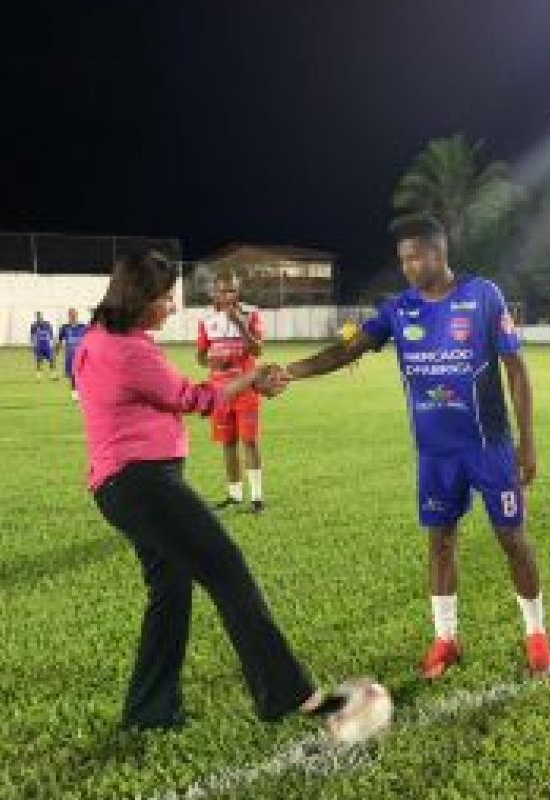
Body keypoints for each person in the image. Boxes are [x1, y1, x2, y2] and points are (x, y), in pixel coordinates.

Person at [73, 248, 347, 732]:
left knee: (171, 590)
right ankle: (288, 693)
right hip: (144, 485)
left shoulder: (98, 339)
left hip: (121, 487)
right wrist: (251, 380)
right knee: (228, 571)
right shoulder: (130, 350)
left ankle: (149, 710)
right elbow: (195, 398)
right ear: (141, 299)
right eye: (165, 298)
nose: (172, 307)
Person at [279, 215, 550, 679]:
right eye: (402, 259)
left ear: (439, 252)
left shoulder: (483, 295)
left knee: (511, 537)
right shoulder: (398, 309)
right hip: (435, 453)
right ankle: (445, 640)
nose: (408, 267)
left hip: (489, 447)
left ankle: (536, 638)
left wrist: (527, 443)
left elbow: (517, 370)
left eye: (416, 257)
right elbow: (346, 352)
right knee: (440, 541)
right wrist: (291, 372)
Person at [197, 272, 267, 513]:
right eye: (222, 291)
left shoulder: (251, 313)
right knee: (227, 443)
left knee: (249, 441)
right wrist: (212, 362)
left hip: (247, 387)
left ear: (238, 291)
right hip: (220, 391)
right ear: (214, 292)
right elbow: (200, 356)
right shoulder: (206, 320)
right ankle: (234, 495)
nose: (227, 295)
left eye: (232, 290)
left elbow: (258, 351)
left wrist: (240, 324)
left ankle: (257, 498)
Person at [56, 308, 90, 401]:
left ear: (77, 315)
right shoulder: (64, 327)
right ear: (68, 316)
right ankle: (74, 393)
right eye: (71, 315)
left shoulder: (83, 327)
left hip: (83, 355)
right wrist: (57, 350)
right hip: (70, 355)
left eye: (74, 314)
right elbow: (59, 340)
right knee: (73, 374)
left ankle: (84, 391)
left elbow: (90, 339)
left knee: (84, 374)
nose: (72, 316)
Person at [30, 311, 56, 378]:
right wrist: (33, 345)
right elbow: (32, 335)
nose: (39, 317)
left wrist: (52, 343)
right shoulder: (34, 325)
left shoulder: (47, 324)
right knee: (39, 360)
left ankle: (53, 375)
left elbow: (51, 334)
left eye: (40, 316)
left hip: (47, 345)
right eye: (37, 316)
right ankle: (38, 375)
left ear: (42, 316)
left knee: (51, 359)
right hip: (39, 345)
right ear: (36, 317)